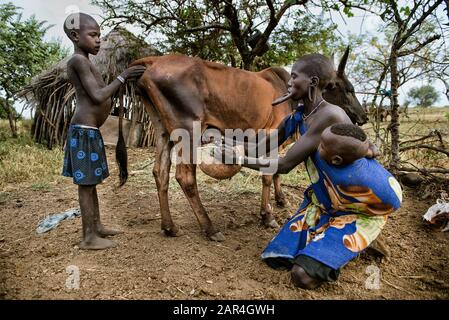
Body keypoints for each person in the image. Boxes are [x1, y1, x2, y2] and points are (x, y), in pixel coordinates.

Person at [217, 54, 402, 289]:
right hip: (326, 202)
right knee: (277, 257)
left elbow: (284, 165)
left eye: (294, 77)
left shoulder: (329, 116)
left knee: (302, 276)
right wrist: (231, 145)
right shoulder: (299, 115)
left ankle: (357, 235)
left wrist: (240, 160)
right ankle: (327, 230)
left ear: (312, 82)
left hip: (361, 204)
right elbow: (265, 146)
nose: (289, 82)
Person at [61, 13, 146, 250]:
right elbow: (98, 96)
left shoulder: (87, 61)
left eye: (99, 35)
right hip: (84, 131)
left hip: (89, 131)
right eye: (93, 35)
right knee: (86, 185)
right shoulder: (77, 61)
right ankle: (88, 237)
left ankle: (96, 227)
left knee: (90, 182)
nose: (99, 40)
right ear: (75, 36)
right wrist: (123, 76)